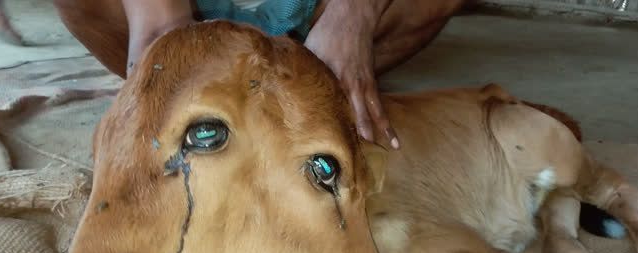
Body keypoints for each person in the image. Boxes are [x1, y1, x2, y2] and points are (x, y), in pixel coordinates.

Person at [52, 0, 469, 149]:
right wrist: (162, 53)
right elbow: (162, 25)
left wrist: (352, 15)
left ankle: (337, 58)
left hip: (319, 15)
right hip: (189, 14)